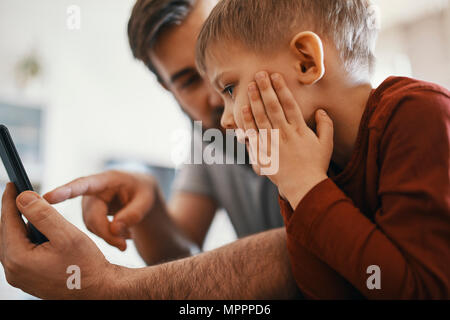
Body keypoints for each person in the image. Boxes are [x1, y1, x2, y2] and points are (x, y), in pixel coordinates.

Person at [0, 0, 300, 299]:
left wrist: (106, 285)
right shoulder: (208, 137)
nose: (219, 96)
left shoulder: (319, 111)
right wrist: (151, 207)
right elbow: (184, 262)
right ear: (169, 90)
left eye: (225, 63)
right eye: (191, 81)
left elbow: (317, 248)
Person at [195, 0, 450, 299]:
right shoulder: (312, 167)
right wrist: (297, 189)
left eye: (229, 89)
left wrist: (307, 187)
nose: (225, 120)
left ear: (306, 61)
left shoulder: (418, 113)